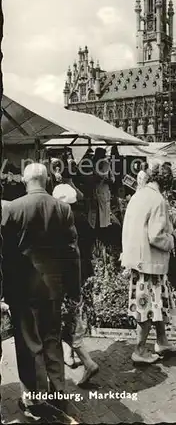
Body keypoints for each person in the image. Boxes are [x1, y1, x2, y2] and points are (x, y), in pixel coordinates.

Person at [1, 163, 81, 420]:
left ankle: (35, 399)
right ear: (47, 181)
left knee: (29, 345)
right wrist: (74, 287)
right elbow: (72, 252)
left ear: (25, 181)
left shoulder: (12, 209)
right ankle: (58, 393)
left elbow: (5, 253)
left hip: (22, 288)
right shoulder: (63, 209)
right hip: (53, 287)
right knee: (52, 340)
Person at [120, 163, 176, 364]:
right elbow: (156, 236)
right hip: (149, 263)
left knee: (157, 304)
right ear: (167, 183)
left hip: (137, 260)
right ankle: (139, 350)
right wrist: (172, 240)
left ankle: (162, 341)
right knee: (146, 306)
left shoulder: (138, 195)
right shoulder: (158, 200)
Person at [52, 183, 99, 386]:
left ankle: (82, 360)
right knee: (72, 318)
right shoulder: (82, 219)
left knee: (65, 319)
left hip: (68, 278)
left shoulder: (62, 223)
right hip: (81, 274)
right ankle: (71, 354)